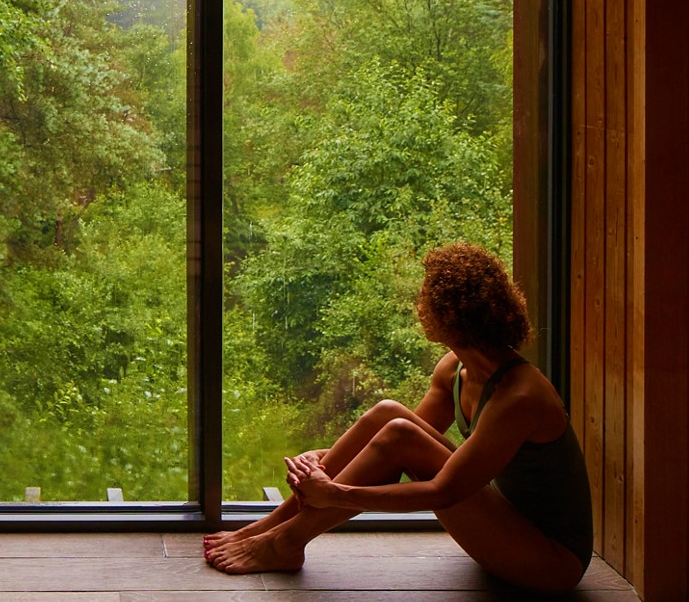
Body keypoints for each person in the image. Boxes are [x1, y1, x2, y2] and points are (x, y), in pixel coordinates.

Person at [203, 242, 593, 594]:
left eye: (424, 297)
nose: (418, 305)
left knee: (398, 431)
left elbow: (441, 491)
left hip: (549, 562)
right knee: (388, 414)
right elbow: (392, 446)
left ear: (446, 314)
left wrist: (335, 493)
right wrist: (320, 460)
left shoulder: (520, 396)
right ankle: (270, 528)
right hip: (505, 524)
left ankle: (286, 543)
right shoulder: (455, 370)